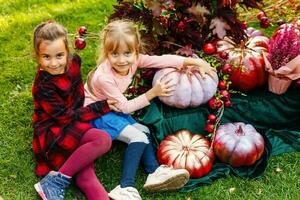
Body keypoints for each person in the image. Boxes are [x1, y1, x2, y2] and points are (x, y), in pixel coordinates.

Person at [84, 19, 216, 200]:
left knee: (144, 131)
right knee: (137, 136)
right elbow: (126, 107)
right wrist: (152, 93)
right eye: (114, 54)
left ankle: (153, 172)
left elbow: (161, 61)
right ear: (107, 53)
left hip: (112, 107)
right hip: (96, 113)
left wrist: (192, 63)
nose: (122, 60)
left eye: (127, 53)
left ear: (136, 50)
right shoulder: (104, 77)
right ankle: (124, 186)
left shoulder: (134, 60)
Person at [31, 21, 118, 200]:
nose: (54, 63)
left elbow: (77, 100)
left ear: (68, 52)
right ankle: (55, 182)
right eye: (46, 57)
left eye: (59, 55)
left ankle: (56, 181)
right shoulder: (43, 85)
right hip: (52, 130)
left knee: (87, 172)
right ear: (37, 56)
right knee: (101, 140)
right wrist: (100, 106)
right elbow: (64, 117)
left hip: (73, 121)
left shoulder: (75, 63)